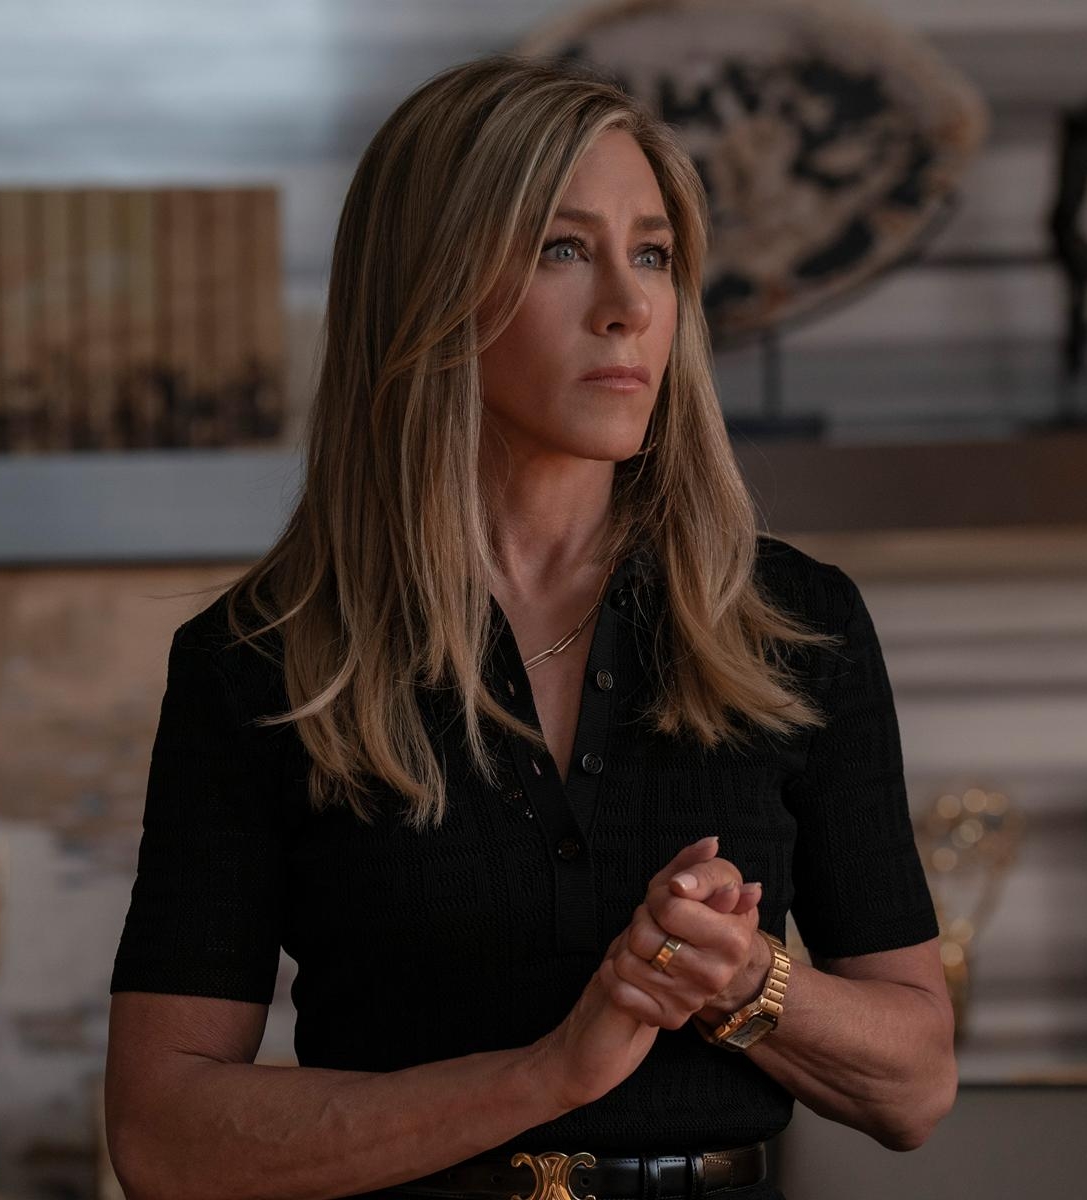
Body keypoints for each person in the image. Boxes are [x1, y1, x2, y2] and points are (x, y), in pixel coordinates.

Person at [103, 51, 956, 1200]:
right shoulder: (263, 662)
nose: (629, 306)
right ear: (429, 285)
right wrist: (546, 1075)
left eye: (652, 254)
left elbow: (915, 1086)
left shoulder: (795, 625)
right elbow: (163, 1136)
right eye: (562, 249)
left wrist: (744, 978)